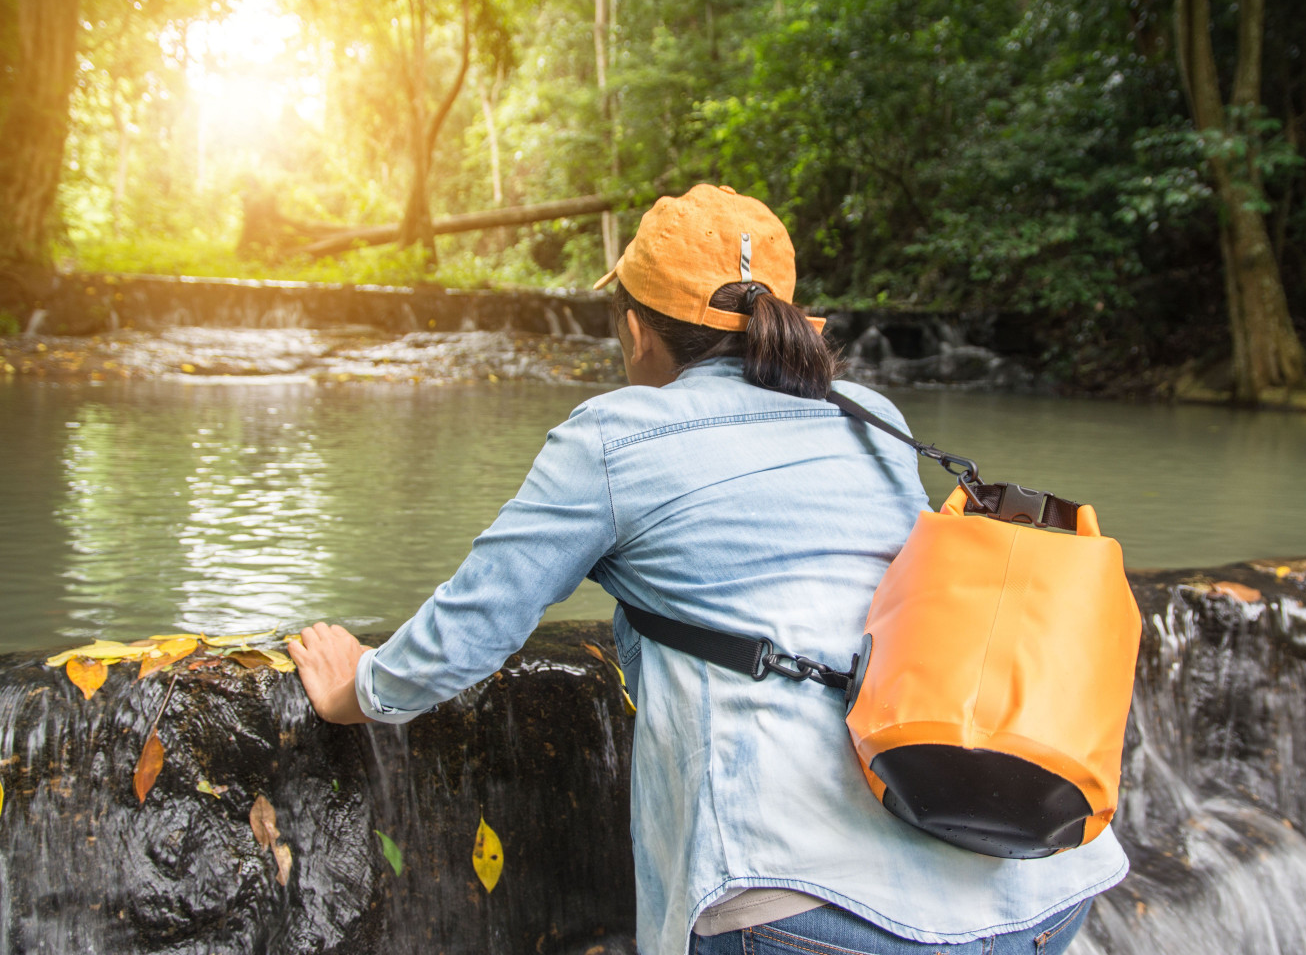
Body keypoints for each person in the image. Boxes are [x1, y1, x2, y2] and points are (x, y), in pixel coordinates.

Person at [289, 185, 1126, 955]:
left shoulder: (613, 438)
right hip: (1040, 882)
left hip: (809, 908)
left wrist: (358, 689)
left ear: (634, 328)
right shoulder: (875, 416)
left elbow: (475, 624)